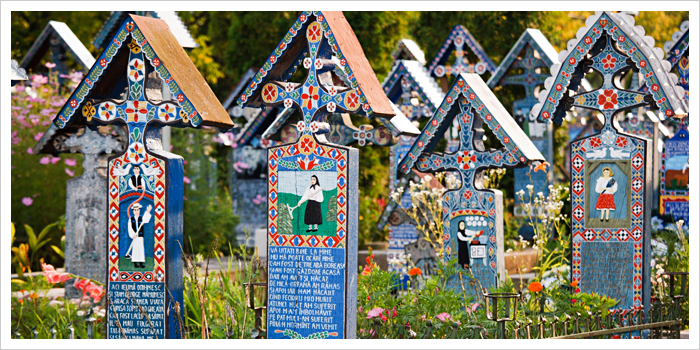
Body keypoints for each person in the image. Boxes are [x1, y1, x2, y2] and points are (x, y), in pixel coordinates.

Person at [127, 203, 152, 268]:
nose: (136, 211)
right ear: (133, 211)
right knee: (135, 249)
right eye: (135, 210)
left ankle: (141, 263)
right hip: (135, 237)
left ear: (139, 210)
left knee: (140, 249)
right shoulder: (131, 219)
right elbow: (129, 228)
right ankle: (135, 263)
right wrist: (132, 235)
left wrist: (148, 211)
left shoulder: (141, 218)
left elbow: (146, 220)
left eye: (137, 210)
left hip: (140, 237)